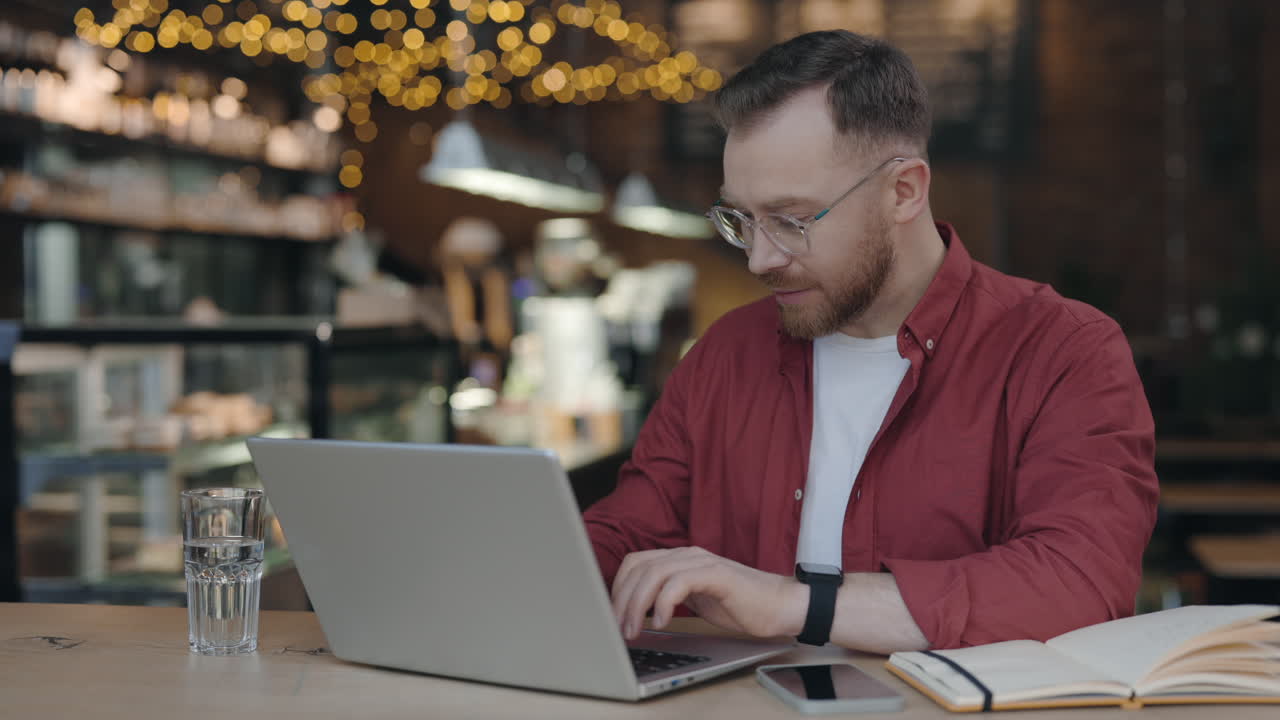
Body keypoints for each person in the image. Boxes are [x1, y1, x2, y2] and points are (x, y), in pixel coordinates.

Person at [583, 30, 1159, 654]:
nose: (758, 259)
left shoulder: (1063, 351)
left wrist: (791, 604)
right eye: (740, 219)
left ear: (903, 191)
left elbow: (1079, 584)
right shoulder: (726, 354)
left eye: (791, 220)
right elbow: (625, 535)